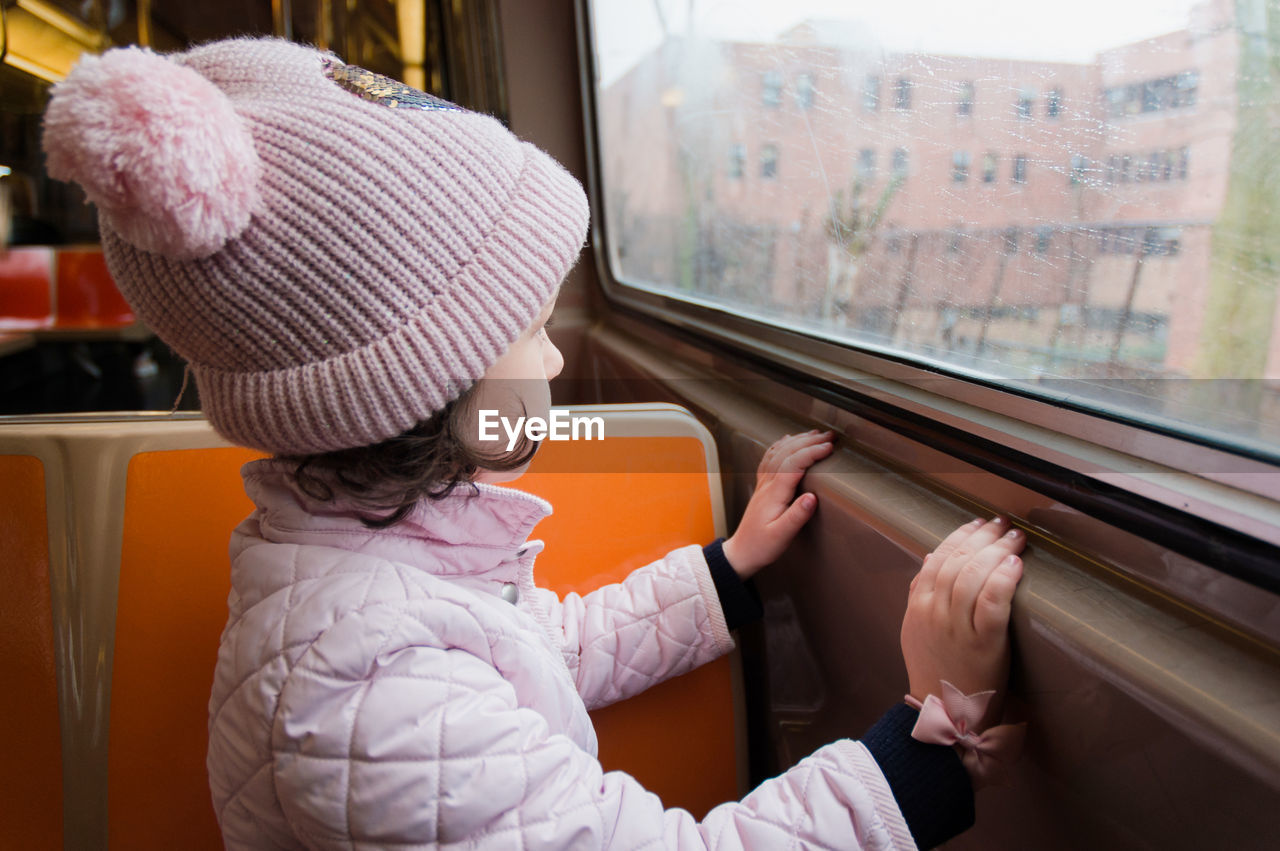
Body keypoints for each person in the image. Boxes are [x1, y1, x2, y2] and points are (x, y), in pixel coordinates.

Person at [42, 38, 1026, 849]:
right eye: (529, 326)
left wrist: (724, 571)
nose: (553, 363)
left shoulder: (365, 565)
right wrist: (923, 738)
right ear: (422, 379)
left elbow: (531, 649)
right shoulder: (370, 691)